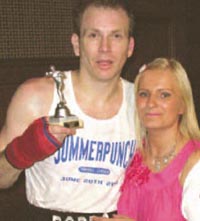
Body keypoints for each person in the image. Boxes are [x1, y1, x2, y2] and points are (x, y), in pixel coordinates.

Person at [0, 1, 136, 220]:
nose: (105, 47)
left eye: (116, 36)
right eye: (93, 35)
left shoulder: (143, 104)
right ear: (76, 44)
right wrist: (22, 151)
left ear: (129, 47)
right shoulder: (37, 96)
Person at [116, 58, 200, 221]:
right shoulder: (133, 154)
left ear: (182, 105)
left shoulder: (195, 163)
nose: (151, 103)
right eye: (144, 94)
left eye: (164, 95)